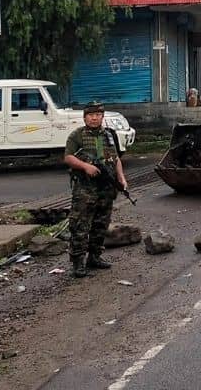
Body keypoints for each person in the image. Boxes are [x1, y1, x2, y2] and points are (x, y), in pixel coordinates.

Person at [63, 101, 128, 278]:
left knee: (101, 224)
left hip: (105, 188)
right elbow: (68, 158)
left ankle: (95, 257)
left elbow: (116, 159)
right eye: (91, 115)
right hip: (85, 188)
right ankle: (78, 263)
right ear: (85, 117)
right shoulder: (77, 135)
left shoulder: (109, 135)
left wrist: (121, 178)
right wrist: (85, 166)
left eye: (98, 115)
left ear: (102, 117)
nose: (94, 118)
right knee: (80, 225)